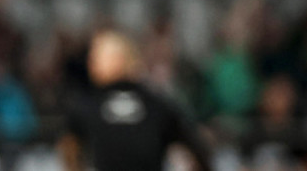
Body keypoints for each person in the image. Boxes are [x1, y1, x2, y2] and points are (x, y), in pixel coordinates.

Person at [60, 28, 212, 171]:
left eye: (96, 57)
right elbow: (198, 149)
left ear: (120, 59)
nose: (90, 65)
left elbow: (68, 149)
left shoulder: (88, 105)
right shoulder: (158, 104)